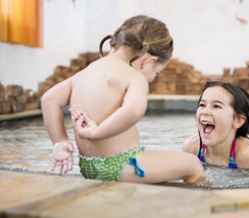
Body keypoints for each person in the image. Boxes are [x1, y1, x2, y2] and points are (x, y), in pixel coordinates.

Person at [41, 15, 204, 184]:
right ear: (149, 61)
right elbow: (133, 111)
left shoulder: (85, 73)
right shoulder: (134, 77)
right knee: (193, 165)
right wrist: (95, 133)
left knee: (161, 167)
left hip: (89, 167)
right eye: (156, 72)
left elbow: (49, 100)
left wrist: (59, 142)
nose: (153, 78)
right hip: (121, 166)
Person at [183, 81, 249, 171]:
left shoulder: (246, 154)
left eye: (216, 106)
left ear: (237, 121)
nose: (205, 111)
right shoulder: (191, 147)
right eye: (202, 105)